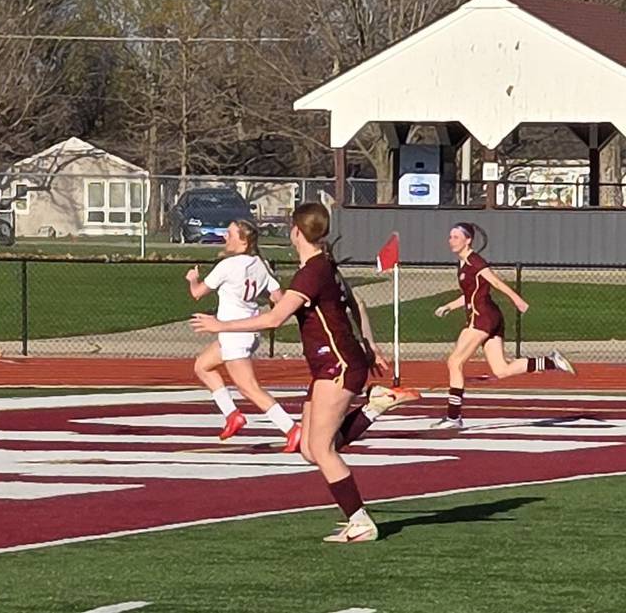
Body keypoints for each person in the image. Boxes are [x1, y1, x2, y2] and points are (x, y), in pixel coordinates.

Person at [192, 203, 417, 543]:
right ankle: (374, 406)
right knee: (311, 449)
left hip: (337, 365)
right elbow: (358, 305)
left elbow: (273, 319)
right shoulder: (325, 265)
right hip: (333, 364)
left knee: (323, 450)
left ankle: (361, 522)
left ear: (296, 231)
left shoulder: (312, 272)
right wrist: (370, 346)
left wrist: (220, 325)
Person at [430, 223, 574, 429]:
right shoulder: (462, 264)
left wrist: (517, 300)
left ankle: (453, 417)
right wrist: (449, 306)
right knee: (501, 369)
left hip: (482, 317)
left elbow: (496, 283)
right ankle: (551, 362)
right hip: (488, 316)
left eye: (455, 236)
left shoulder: (475, 261)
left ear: (468, 240)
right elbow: (471, 294)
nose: (450, 240)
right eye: (450, 236)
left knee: (454, 362)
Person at [183, 220, 301, 452]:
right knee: (202, 366)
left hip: (232, 332)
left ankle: (291, 428)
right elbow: (279, 298)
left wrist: (192, 279)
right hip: (248, 330)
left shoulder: (228, 265)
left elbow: (197, 293)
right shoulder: (261, 263)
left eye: (230, 234)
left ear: (244, 241)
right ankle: (232, 414)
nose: (225, 237)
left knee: (249, 388)